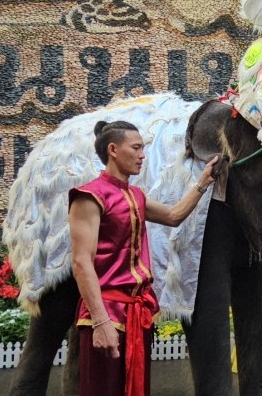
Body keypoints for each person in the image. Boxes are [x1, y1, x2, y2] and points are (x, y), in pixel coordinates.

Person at [68, 120, 217, 396]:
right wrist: (100, 322)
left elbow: (173, 216)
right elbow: (81, 262)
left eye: (143, 149)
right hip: (106, 313)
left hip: (136, 313)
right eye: (136, 148)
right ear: (113, 150)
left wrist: (203, 182)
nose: (142, 155)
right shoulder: (89, 197)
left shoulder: (135, 195)